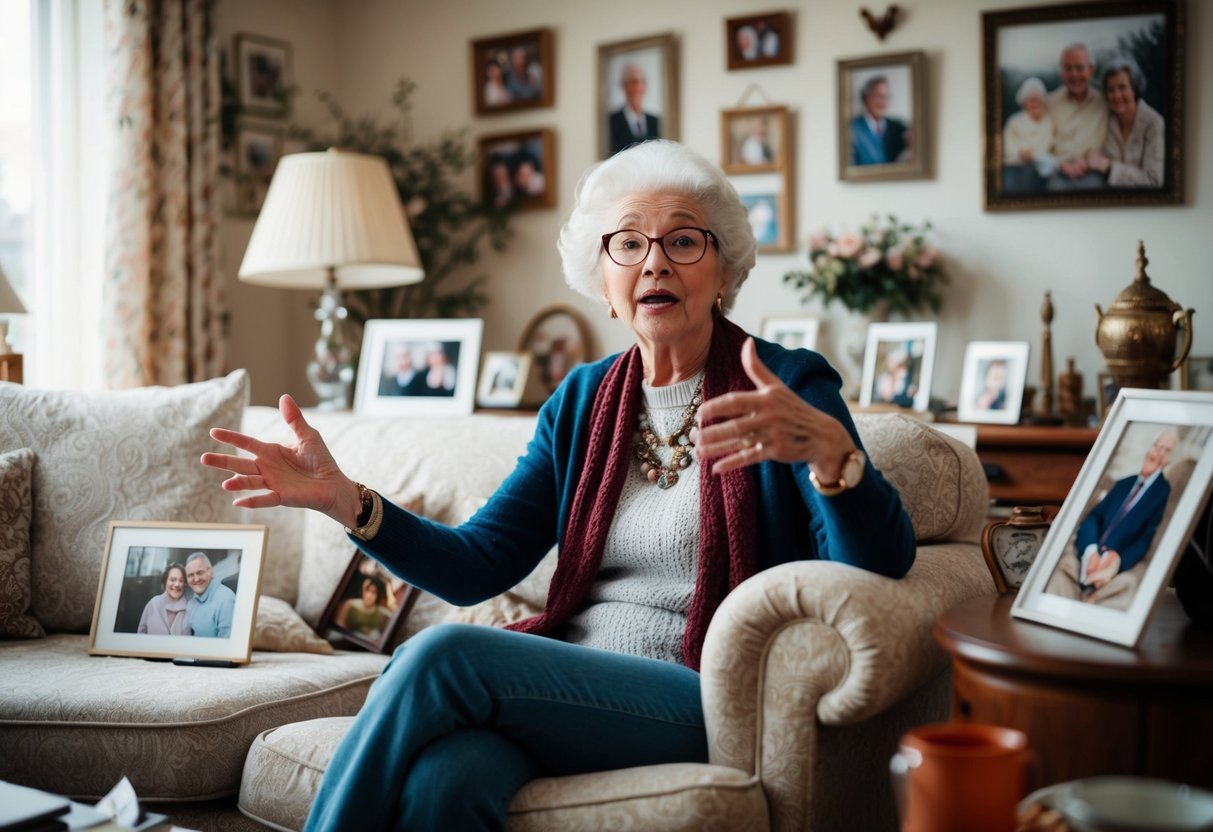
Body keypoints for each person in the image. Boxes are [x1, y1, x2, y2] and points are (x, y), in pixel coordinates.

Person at [200, 139, 915, 831]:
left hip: (700, 691)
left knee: (442, 655)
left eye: (683, 241)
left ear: (723, 270)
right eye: (627, 244)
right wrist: (346, 503)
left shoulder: (784, 383)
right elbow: (477, 564)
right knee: (446, 781)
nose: (653, 262)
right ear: (602, 281)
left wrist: (835, 460)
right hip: (565, 684)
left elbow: (875, 570)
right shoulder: (580, 401)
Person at [1046, 428, 1178, 604]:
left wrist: (1117, 562)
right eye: (1156, 445)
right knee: (1057, 565)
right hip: (1088, 553)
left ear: (1170, 459)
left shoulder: (1164, 493)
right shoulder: (1124, 483)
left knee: (1125, 588)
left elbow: (1147, 539)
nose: (1157, 451)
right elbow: (1094, 517)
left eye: (1165, 449)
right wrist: (1090, 550)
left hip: (1117, 563)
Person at [1084, 54, 1165, 188]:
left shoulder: (1154, 123)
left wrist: (1109, 168)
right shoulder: (1106, 118)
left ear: (1134, 88)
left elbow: (1154, 179)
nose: (1116, 95)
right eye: (1110, 89)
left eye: (1122, 87)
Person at [1045, 43, 1108, 190]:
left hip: (1094, 174)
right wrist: (1061, 165)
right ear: (1062, 72)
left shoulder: (1104, 104)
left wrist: (1088, 161)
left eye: (1079, 68)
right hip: (1057, 174)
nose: (1074, 74)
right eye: (1068, 68)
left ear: (1091, 70)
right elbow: (1040, 144)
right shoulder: (1049, 103)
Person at [1001, 76, 1058, 192]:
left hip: (1041, 170)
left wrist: (1035, 155)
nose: (1034, 103)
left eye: (1038, 99)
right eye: (1031, 100)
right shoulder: (1014, 121)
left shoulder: (1049, 122)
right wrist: (1020, 153)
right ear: (1024, 103)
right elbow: (1006, 148)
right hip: (1015, 168)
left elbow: (1051, 146)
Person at [851, 75, 910, 166]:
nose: (883, 102)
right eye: (878, 96)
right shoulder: (853, 128)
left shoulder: (897, 128)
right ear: (866, 97)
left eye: (886, 97)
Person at [608, 64, 661, 156]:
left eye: (642, 82)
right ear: (625, 86)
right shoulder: (612, 121)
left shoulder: (655, 121)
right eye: (635, 82)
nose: (639, 87)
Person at [185, 552, 237, 638]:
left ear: (210, 571)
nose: (196, 579)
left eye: (200, 573)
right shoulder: (192, 601)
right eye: (190, 575)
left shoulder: (226, 601)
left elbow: (225, 646)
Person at [136, 563, 190, 635]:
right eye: (173, 580)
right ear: (165, 581)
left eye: (181, 580)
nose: (177, 584)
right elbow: (140, 634)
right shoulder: (153, 604)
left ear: (184, 584)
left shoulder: (190, 608)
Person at [873, 342, 916, 408]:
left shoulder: (905, 378)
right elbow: (887, 397)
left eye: (901, 365)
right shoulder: (884, 379)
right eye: (898, 365)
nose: (901, 368)